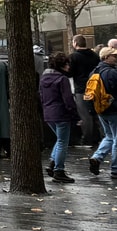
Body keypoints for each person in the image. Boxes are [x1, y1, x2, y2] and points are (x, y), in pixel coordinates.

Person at [87, 45, 117, 180]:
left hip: (101, 110)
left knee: (109, 136)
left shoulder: (94, 72)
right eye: (114, 56)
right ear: (106, 57)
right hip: (115, 110)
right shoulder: (112, 73)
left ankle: (97, 157)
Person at [38, 52, 79, 183]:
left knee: (59, 139)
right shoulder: (62, 79)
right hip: (61, 113)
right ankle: (58, 169)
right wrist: (75, 114)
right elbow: (68, 100)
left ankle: (53, 162)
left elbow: (41, 96)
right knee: (62, 142)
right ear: (62, 65)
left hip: (48, 113)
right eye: (67, 64)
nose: (69, 67)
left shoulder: (43, 78)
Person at [68, 34, 101, 148]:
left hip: (81, 89)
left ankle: (87, 139)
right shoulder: (94, 55)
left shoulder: (73, 57)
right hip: (94, 87)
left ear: (75, 43)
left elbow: (70, 73)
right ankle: (97, 137)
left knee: (85, 115)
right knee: (94, 113)